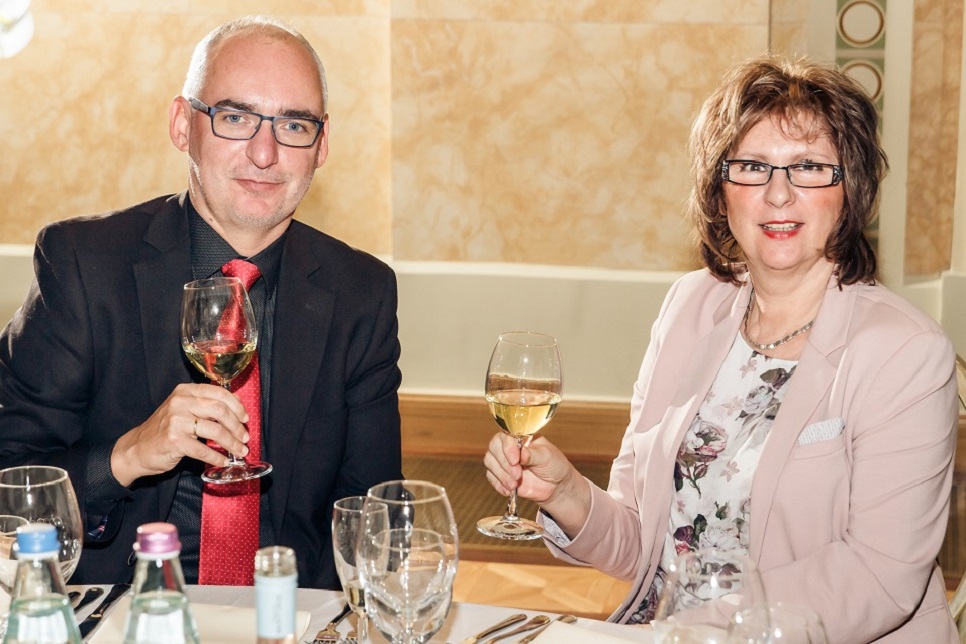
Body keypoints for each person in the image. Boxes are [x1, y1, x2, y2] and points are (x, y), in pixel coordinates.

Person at [484, 54, 958, 642]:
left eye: (810, 167)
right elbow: (644, 547)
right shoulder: (690, 306)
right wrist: (567, 494)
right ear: (720, 190)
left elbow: (879, 578)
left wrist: (694, 631)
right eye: (753, 167)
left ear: (850, 189)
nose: (779, 194)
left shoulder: (905, 352)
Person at [0, 15, 403, 590]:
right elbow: (11, 477)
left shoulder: (361, 291)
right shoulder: (86, 265)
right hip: (123, 608)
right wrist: (127, 456)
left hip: (293, 612)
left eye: (294, 125)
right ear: (182, 125)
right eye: (235, 118)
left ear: (322, 146)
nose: (264, 153)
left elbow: (376, 517)